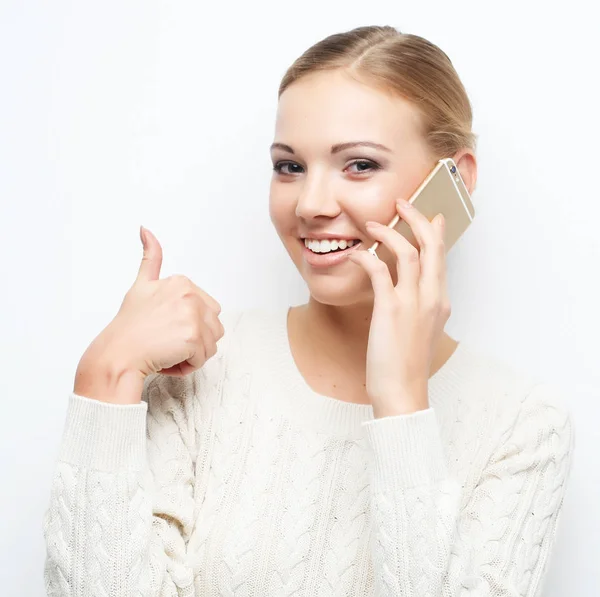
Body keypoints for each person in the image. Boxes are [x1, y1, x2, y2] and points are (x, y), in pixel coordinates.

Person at [43, 26, 574, 596]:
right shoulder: (199, 373)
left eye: (360, 165)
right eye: (290, 166)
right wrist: (106, 376)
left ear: (457, 179)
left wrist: (399, 402)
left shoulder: (524, 426)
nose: (311, 205)